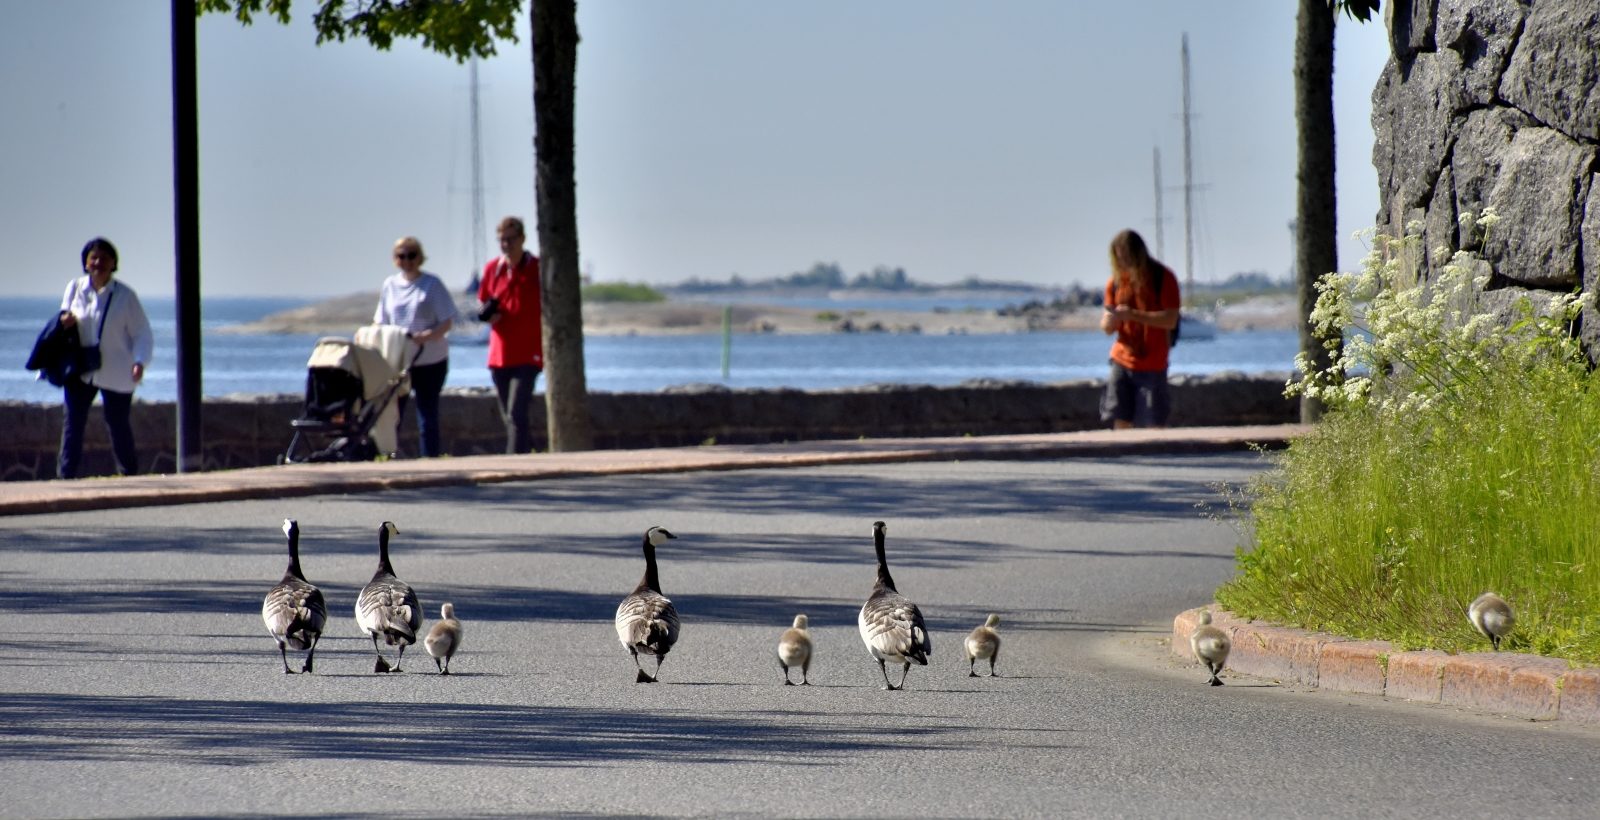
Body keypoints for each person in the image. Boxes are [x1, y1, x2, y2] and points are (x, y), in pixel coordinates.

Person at [57, 237, 154, 478]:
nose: (98, 263)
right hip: (81, 368)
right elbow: (63, 318)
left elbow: (142, 333)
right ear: (86, 263)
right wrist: (64, 322)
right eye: (94, 258)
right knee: (73, 423)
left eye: (104, 258)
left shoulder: (126, 296)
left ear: (113, 263)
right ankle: (66, 476)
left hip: (116, 369)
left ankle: (129, 474)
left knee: (118, 423)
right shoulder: (75, 288)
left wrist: (139, 362)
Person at [374, 236, 457, 457]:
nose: (407, 260)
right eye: (402, 256)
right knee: (393, 414)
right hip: (399, 360)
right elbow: (380, 321)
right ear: (395, 259)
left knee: (427, 414)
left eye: (412, 255)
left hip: (430, 359)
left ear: (420, 257)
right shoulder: (390, 286)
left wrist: (427, 336)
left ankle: (430, 459)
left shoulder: (432, 284)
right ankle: (388, 455)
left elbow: (447, 320)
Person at [1099, 228, 1180, 429]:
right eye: (1119, 258)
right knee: (1120, 417)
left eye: (1127, 256)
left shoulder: (1162, 277)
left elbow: (1170, 320)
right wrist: (1109, 323)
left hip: (1153, 362)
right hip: (1121, 358)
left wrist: (1133, 315)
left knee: (1154, 421)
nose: (1123, 262)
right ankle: (1122, 455)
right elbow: (1107, 325)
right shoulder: (1115, 283)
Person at [477, 216, 544, 454]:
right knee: (511, 415)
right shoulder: (493, 269)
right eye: (502, 240)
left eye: (511, 239)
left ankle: (514, 461)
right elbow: (483, 301)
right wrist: (490, 314)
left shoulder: (537, 268)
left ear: (522, 239)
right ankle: (531, 453)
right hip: (500, 355)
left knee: (517, 411)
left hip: (528, 353)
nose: (506, 244)